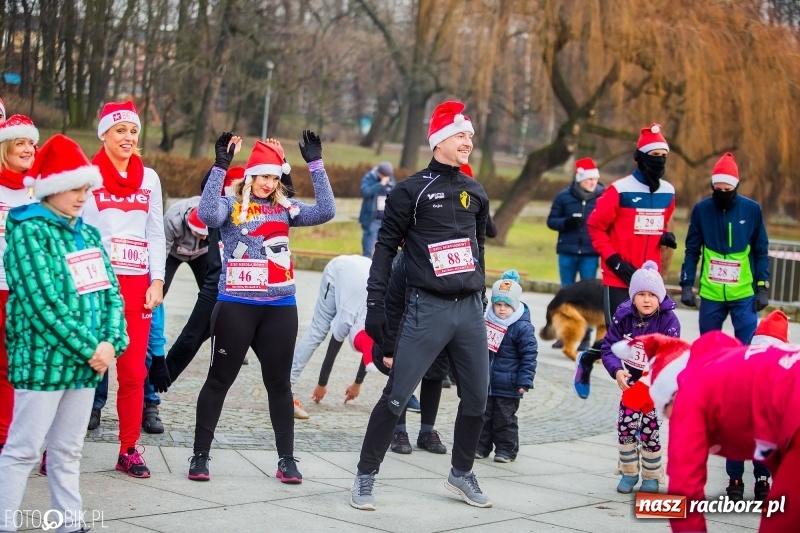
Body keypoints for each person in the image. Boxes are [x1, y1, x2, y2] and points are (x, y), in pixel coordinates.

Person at [351, 100, 491, 511]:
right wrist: (375, 303)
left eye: (469, 136)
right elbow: (383, 250)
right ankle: (364, 476)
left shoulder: (475, 190)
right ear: (440, 141)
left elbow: (477, 246)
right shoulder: (410, 190)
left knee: (478, 398)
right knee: (396, 396)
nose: (468, 142)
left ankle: (461, 473)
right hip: (425, 308)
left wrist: (478, 293)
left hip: (468, 310)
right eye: (462, 135)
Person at [189, 131, 335, 483]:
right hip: (236, 305)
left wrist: (315, 164)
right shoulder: (228, 206)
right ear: (250, 176)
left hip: (279, 307)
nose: (269, 183)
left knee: (279, 385)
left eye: (275, 177)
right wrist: (220, 165)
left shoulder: (286, 209)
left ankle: (287, 460)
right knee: (219, 380)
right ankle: (200, 456)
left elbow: (327, 210)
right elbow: (206, 214)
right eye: (263, 176)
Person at [0, 134, 128, 533]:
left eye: (85, 188)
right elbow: (42, 301)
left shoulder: (86, 234)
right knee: (22, 449)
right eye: (74, 188)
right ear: (52, 187)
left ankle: (69, 523)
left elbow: (111, 294)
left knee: (68, 450)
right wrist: (93, 347)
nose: (81, 197)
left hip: (87, 365)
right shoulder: (27, 232)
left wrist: (111, 343)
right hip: (42, 363)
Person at [614, 314, 797, 533]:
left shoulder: (687, 394)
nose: (670, 418)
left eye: (665, 411)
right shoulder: (722, 366)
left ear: (669, 394)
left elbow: (684, 487)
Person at [678, 151, 771, 501]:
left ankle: (749, 384)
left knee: (750, 351)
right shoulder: (702, 210)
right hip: (713, 293)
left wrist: (762, 286)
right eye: (716, 186)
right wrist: (688, 283)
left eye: (726, 187)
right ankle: (714, 389)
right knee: (711, 354)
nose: (721, 191)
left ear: (736, 187)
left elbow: (761, 249)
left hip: (744, 292)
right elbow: (692, 248)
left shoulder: (752, 209)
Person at [81, 100, 166, 477]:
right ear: (104, 134)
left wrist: (158, 280)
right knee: (83, 369)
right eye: (120, 131)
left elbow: (155, 233)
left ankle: (129, 449)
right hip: (94, 283)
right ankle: (57, 447)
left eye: (133, 131)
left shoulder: (150, 178)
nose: (129, 137)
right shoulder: (85, 173)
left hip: (137, 286)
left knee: (133, 372)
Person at [575, 123, 677, 399]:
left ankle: (636, 398)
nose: (659, 161)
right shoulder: (619, 190)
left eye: (663, 156)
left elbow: (659, 222)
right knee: (619, 335)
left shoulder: (668, 192)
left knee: (645, 339)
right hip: (618, 274)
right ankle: (587, 361)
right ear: (640, 157)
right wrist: (614, 260)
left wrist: (664, 235)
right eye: (653, 155)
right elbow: (595, 227)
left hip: (650, 277)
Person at [600, 260, 680, 493]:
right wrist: (616, 370)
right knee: (625, 428)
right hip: (631, 385)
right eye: (641, 294)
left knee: (649, 430)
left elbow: (672, 355)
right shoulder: (623, 317)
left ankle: (652, 476)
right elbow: (608, 348)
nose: (647, 300)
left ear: (660, 297)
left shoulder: (669, 321)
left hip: (656, 387)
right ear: (633, 296)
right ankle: (628, 473)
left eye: (652, 295)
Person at [290, 254, 374, 418]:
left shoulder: (375, 322)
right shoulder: (347, 319)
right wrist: (322, 384)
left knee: (321, 330)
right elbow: (333, 348)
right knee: (318, 330)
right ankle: (286, 387)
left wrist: (357, 384)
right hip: (337, 269)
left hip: (361, 271)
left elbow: (369, 350)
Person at [0, 115, 38, 454]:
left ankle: (18, 437)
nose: (28, 149)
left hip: (25, 292)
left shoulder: (38, 189)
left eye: (31, 143)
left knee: (21, 365)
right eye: (20, 143)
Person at [476, 270, 538, 463]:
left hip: (508, 384)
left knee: (505, 419)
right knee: (484, 417)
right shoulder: (486, 323)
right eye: (498, 304)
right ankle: (481, 446)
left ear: (516, 305)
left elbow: (529, 355)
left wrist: (524, 381)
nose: (502, 309)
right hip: (487, 382)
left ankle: (506, 450)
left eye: (507, 305)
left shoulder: (522, 327)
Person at [546, 157, 604, 350]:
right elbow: (552, 220)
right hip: (567, 251)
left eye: (595, 180)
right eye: (589, 180)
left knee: (588, 297)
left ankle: (586, 336)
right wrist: (566, 223)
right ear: (580, 179)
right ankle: (564, 334)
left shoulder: (602, 197)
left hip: (590, 252)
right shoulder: (564, 197)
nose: (592, 183)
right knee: (566, 293)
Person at [163, 199, 209, 292]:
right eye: (200, 234)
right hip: (173, 253)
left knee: (209, 289)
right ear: (191, 226)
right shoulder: (173, 219)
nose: (204, 237)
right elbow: (163, 248)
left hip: (202, 254)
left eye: (206, 234)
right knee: (161, 286)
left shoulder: (214, 215)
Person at [359, 162, 394, 257]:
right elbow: (364, 192)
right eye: (384, 176)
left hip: (385, 220)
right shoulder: (370, 177)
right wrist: (380, 184)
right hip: (372, 219)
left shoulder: (390, 178)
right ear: (379, 173)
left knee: (383, 251)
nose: (386, 178)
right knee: (368, 250)